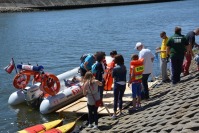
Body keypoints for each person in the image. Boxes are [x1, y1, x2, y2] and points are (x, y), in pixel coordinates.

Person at [112, 54, 127, 119]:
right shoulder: (124, 67)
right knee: (120, 98)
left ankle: (115, 113)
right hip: (123, 83)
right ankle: (120, 111)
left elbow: (113, 76)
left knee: (115, 99)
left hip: (117, 83)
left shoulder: (115, 68)